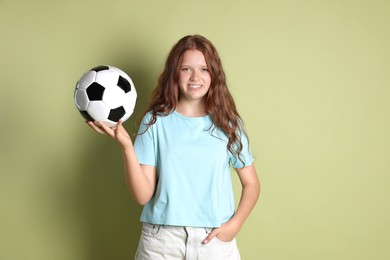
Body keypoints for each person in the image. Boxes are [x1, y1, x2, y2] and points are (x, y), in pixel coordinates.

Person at [87, 34, 260, 260]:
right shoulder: (155, 122)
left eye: (204, 69)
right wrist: (127, 148)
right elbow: (142, 195)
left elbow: (251, 183)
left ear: (214, 75)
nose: (195, 77)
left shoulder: (228, 124)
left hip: (214, 242)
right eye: (186, 68)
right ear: (174, 73)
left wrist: (234, 226)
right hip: (161, 243)